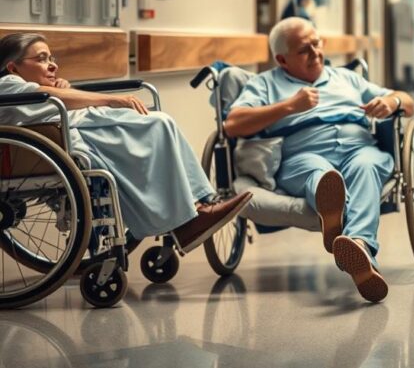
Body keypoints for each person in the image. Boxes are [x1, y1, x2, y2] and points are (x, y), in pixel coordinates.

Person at [0, 33, 252, 251]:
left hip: (83, 128)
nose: (52, 65)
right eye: (41, 59)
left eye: (51, 58)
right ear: (13, 68)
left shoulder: (35, 90)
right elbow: (50, 98)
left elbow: (51, 98)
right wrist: (112, 99)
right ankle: (190, 218)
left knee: (162, 124)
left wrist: (64, 89)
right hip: (70, 137)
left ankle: (200, 205)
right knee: (159, 124)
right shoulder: (7, 85)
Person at [223, 17, 414, 302]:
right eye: (304, 49)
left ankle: (358, 246)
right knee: (319, 174)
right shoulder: (265, 84)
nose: (315, 53)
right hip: (302, 153)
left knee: (366, 166)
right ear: (281, 59)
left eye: (317, 43)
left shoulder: (347, 78)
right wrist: (289, 106)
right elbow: (233, 124)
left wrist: (391, 102)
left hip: (359, 147)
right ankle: (333, 209)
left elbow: (408, 102)